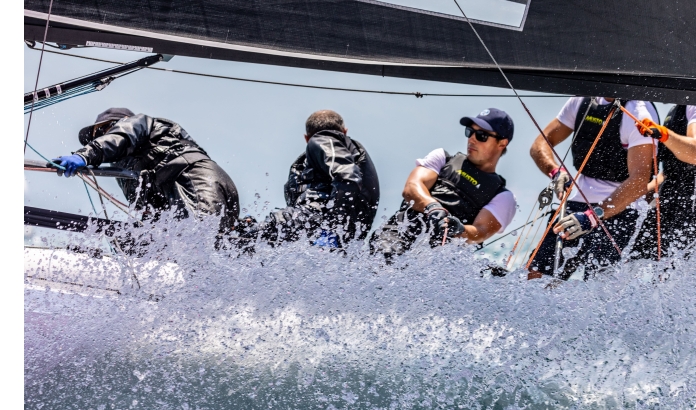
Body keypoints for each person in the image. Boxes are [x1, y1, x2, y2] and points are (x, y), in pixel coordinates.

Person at [527, 97, 659, 280]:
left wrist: (593, 216)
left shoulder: (639, 113)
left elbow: (639, 180)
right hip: (577, 204)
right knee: (535, 276)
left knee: (597, 287)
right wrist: (556, 172)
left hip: (620, 211)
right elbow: (540, 143)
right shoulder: (580, 102)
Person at [55, 108, 240, 231]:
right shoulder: (127, 169)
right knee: (202, 251)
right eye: (97, 135)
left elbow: (120, 137)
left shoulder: (138, 124)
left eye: (104, 129)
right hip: (185, 188)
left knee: (200, 242)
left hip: (195, 179)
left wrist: (84, 155)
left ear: (122, 121)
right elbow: (147, 208)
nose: (101, 135)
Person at [370, 108, 517, 259]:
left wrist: (459, 230)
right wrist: (432, 208)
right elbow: (412, 187)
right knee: (385, 259)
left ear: (502, 143)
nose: (472, 139)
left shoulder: (503, 197)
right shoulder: (442, 158)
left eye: (481, 135)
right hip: (396, 236)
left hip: (437, 258)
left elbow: (480, 232)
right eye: (469, 132)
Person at [629, 105, 696, 258]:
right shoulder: (684, 106)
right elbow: (669, 173)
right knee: (637, 256)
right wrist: (628, 200)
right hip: (673, 191)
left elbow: (695, 154)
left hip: (694, 196)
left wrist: (664, 134)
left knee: (674, 264)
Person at [260, 110, 380, 247]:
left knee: (247, 236)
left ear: (307, 138)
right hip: (340, 236)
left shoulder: (323, 140)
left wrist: (333, 227)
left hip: (317, 221)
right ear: (344, 131)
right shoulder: (351, 153)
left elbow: (348, 178)